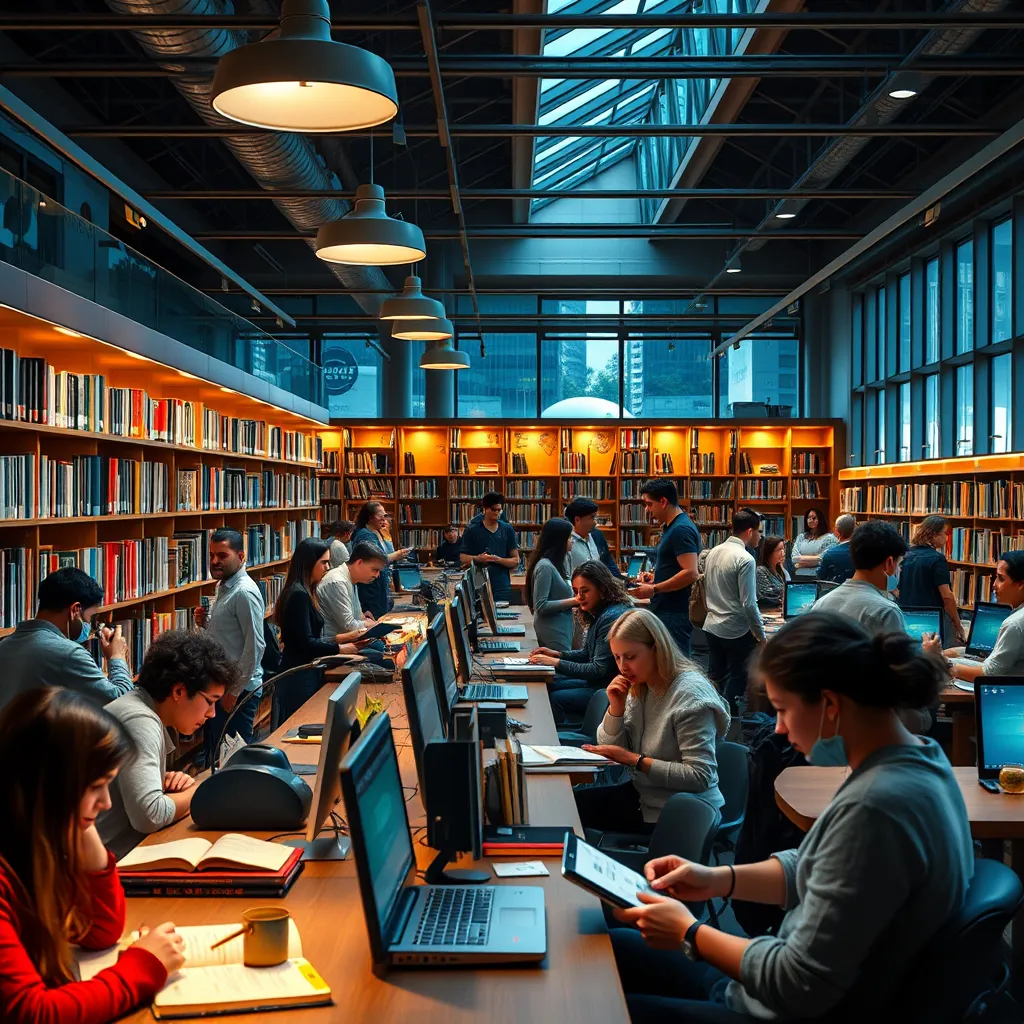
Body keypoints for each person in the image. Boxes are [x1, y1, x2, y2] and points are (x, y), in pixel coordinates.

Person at [609, 612, 972, 1023]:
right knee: (616, 947)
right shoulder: (919, 759)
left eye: (782, 709)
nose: (779, 729)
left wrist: (688, 932)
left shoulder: (876, 807)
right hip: (771, 990)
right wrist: (718, 879)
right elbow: (825, 863)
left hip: (783, 1006)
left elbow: (798, 982)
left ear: (830, 705)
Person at [0, 688, 185, 1023]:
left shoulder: (34, 845)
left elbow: (101, 930)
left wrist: (80, 823)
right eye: (95, 786)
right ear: (49, 786)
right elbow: (33, 1013)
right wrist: (144, 966)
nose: (107, 803)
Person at [574, 609, 730, 834]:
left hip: (682, 812)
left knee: (572, 812)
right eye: (617, 657)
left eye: (630, 657)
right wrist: (616, 709)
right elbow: (614, 749)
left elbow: (700, 776)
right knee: (569, 805)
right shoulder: (642, 684)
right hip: (646, 795)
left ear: (657, 649)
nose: (622, 667)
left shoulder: (690, 696)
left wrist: (635, 760)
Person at [99, 630, 238, 858]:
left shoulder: (137, 708)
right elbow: (150, 816)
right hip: (102, 865)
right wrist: (198, 790)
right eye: (210, 701)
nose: (212, 713)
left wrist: (159, 783)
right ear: (179, 691)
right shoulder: (140, 721)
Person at [0, 566, 133, 712]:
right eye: (90, 618)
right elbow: (122, 702)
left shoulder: (4, 645)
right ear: (75, 610)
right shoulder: (68, 653)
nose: (89, 626)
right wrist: (117, 656)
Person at [194, 528, 266, 767]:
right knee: (217, 754)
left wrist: (234, 690)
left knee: (234, 760)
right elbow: (228, 637)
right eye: (212, 555)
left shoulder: (244, 592)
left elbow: (255, 646)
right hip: (221, 685)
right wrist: (205, 624)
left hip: (237, 690)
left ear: (241, 556)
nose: (215, 561)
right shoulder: (223, 585)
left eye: (222, 555)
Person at [529, 561, 632, 725]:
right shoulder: (600, 612)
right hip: (597, 683)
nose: (579, 597)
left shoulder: (609, 618)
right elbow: (587, 654)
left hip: (606, 688)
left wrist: (555, 662)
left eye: (585, 591)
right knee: (549, 685)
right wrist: (558, 654)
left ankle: (559, 737)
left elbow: (598, 670)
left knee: (555, 697)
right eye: (576, 591)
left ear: (602, 589)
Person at [273, 538, 363, 723]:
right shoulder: (299, 595)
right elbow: (306, 643)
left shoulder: (305, 590)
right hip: (299, 675)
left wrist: (342, 639)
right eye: (323, 562)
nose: (327, 567)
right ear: (308, 563)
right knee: (299, 724)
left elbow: (307, 637)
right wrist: (340, 649)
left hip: (304, 671)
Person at [703, 510, 766, 715]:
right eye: (759, 532)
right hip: (736, 630)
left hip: (712, 625)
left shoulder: (713, 552)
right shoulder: (745, 559)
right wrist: (761, 636)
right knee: (739, 679)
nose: (760, 537)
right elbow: (749, 604)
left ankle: (710, 718)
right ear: (749, 531)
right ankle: (730, 720)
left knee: (715, 679)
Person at [630, 480, 701, 656]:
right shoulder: (671, 526)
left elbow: (691, 573)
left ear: (663, 501)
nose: (647, 510)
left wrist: (654, 589)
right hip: (667, 609)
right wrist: (656, 577)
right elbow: (677, 567)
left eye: (649, 504)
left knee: (675, 665)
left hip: (674, 612)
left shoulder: (680, 529)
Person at [947, 550, 1024, 682]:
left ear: (1021, 584)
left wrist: (943, 664)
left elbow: (988, 673)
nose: (994, 585)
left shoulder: (1015, 624)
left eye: (1001, 579)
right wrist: (956, 653)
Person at [898, 515, 967, 646]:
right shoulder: (937, 559)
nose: (946, 538)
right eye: (944, 533)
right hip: (932, 619)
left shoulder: (906, 555)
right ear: (934, 534)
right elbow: (946, 596)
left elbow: (896, 589)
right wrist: (957, 623)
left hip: (907, 618)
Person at [525, 518, 580, 652]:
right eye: (569, 538)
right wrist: (575, 601)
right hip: (553, 630)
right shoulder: (545, 567)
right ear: (559, 541)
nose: (572, 541)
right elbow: (541, 605)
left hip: (562, 627)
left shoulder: (559, 563)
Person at [351, 501, 411, 619]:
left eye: (385, 515)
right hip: (371, 586)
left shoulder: (377, 532)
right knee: (375, 618)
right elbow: (373, 559)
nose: (384, 519)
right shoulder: (365, 535)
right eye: (381, 516)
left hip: (380, 584)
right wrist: (396, 555)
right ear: (370, 518)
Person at [318, 541, 388, 642]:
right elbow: (349, 626)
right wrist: (372, 624)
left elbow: (358, 617)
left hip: (348, 641)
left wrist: (366, 620)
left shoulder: (352, 579)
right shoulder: (337, 581)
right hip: (333, 645)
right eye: (375, 570)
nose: (377, 575)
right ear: (359, 563)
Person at [460, 491, 520, 603]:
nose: (496, 513)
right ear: (485, 509)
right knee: (480, 610)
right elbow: (463, 558)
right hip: (478, 582)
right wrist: (479, 559)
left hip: (501, 583)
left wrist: (497, 559)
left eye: (499, 510)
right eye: (493, 510)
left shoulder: (507, 529)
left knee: (502, 609)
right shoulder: (472, 530)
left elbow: (516, 560)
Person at [791, 507, 836, 579]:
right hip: (799, 576)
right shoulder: (801, 537)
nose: (811, 520)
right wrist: (814, 560)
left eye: (814, 518)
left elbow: (824, 559)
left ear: (820, 520)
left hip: (819, 576)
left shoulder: (830, 538)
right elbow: (794, 559)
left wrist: (801, 564)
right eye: (808, 518)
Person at [564, 497, 602, 573]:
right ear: (577, 520)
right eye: (592, 517)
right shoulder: (567, 543)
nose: (595, 522)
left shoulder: (593, 536)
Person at [816, 513, 856, 585]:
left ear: (837, 532)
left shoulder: (829, 554)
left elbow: (820, 577)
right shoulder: (863, 552)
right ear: (855, 530)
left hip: (835, 590)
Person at [755, 535, 789, 608]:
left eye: (783, 549)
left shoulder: (779, 572)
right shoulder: (760, 570)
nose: (783, 553)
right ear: (769, 552)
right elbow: (766, 595)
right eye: (779, 550)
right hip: (768, 611)